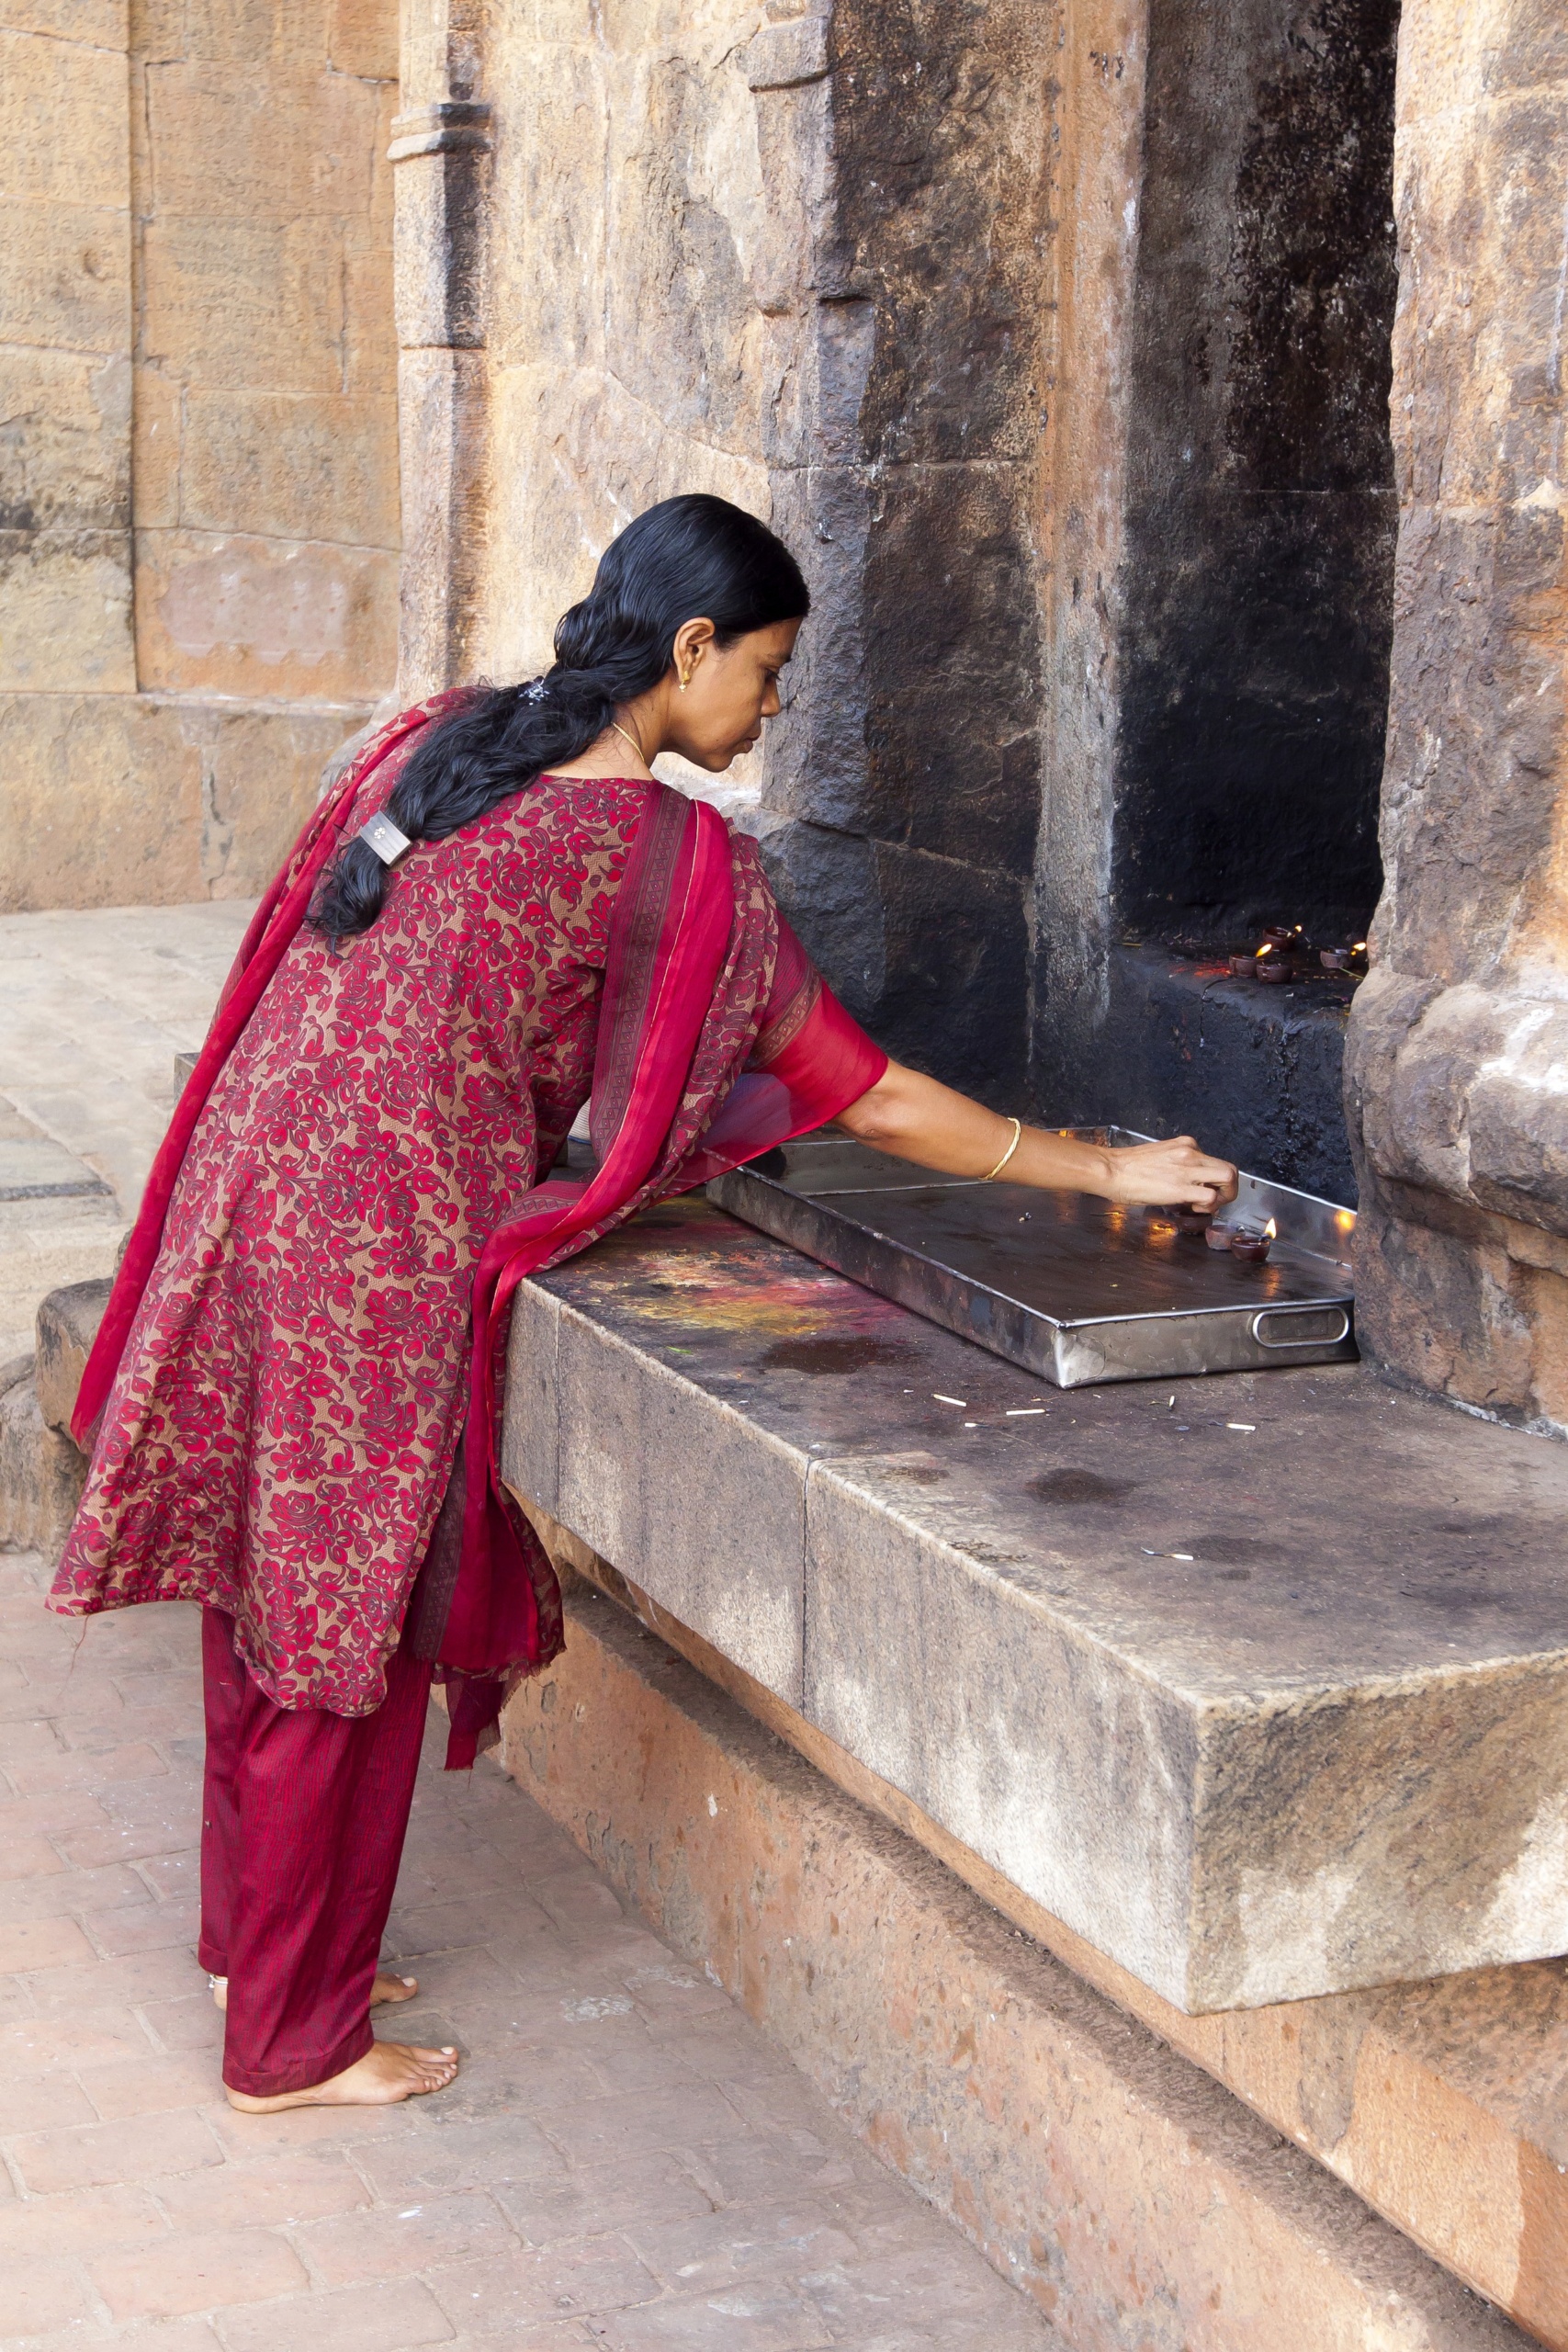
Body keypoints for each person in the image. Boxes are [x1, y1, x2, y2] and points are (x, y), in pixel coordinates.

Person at [48, 494, 1236, 2115]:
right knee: (344, 1635)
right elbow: (863, 1094)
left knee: (269, 1599)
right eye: (767, 671)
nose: (771, 710)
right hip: (373, 1261)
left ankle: (254, 1943)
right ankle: (289, 2046)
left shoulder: (441, 738)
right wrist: (1100, 1171)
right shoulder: (665, 859)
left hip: (251, 1188)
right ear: (689, 651)